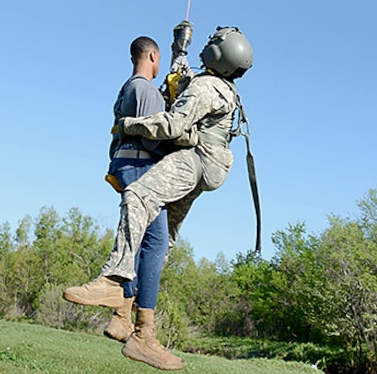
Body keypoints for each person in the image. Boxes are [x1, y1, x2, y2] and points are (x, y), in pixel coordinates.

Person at [63, 26, 253, 371]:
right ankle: (132, 325)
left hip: (195, 160)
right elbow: (183, 77)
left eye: (212, 44)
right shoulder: (221, 86)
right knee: (162, 240)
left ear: (218, 55)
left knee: (139, 194)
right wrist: (180, 47)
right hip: (210, 166)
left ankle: (115, 280)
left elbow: (173, 125)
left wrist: (130, 125)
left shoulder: (207, 88)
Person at [65, 35, 170, 346]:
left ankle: (121, 316)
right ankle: (137, 321)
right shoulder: (145, 89)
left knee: (141, 239)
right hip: (141, 167)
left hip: (124, 163)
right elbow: (153, 138)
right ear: (153, 55)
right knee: (156, 241)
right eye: (159, 59)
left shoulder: (126, 89)